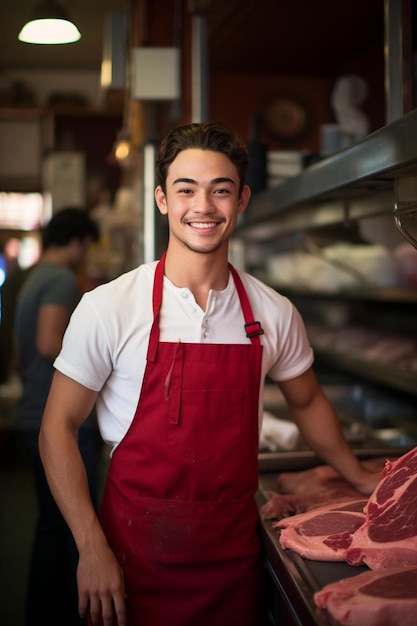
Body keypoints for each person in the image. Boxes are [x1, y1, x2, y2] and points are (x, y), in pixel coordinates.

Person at [38, 122, 381, 626]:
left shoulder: (273, 312)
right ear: (162, 199)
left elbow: (306, 401)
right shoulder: (110, 306)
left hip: (232, 562)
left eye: (220, 190)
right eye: (186, 189)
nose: (203, 206)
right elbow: (57, 428)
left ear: (241, 199)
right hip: (130, 557)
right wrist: (90, 547)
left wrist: (357, 475)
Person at [15, 207, 99, 626]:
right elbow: (50, 343)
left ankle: (42, 612)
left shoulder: (35, 276)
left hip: (31, 410)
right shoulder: (62, 279)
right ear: (79, 241)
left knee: (51, 524)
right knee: (70, 529)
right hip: (54, 417)